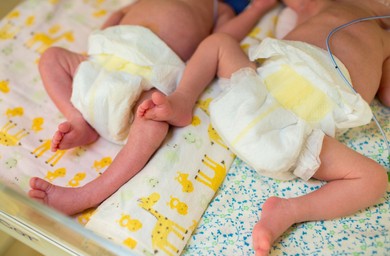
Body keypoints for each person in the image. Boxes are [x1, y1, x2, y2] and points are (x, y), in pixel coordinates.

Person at [138, 0, 390, 256]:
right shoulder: (331, 4)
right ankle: (183, 99)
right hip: (256, 90)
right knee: (219, 41)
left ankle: (290, 211)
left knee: (375, 179)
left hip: (299, 134)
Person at [28, 0, 278, 215]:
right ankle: (78, 119)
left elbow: (222, 39)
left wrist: (255, 9)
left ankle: (88, 194)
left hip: (144, 79)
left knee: (153, 118)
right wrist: (101, 40)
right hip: (100, 61)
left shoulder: (216, 8)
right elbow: (119, 14)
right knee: (51, 57)